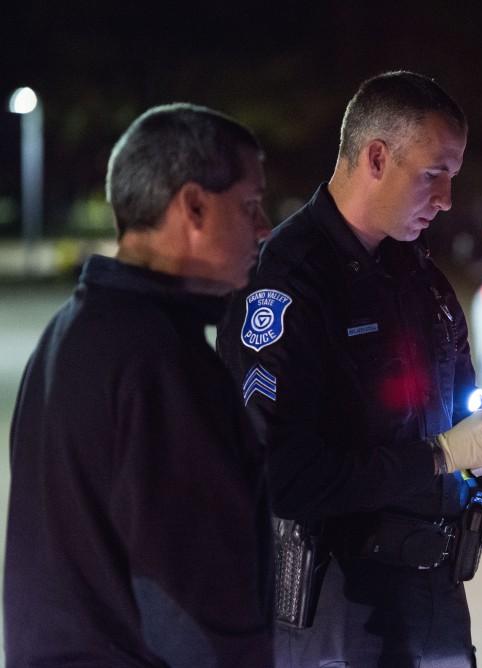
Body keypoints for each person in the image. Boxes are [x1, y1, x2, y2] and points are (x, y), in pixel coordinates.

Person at [217, 70, 482, 668]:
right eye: (433, 173)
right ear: (375, 157)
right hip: (337, 612)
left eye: (453, 175)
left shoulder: (420, 280)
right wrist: (443, 455)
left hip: (433, 600)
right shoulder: (286, 282)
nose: (446, 197)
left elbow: (457, 417)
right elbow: (281, 478)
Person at [4, 104, 274, 667]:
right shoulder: (160, 362)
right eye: (249, 206)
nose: (263, 227)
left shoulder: (70, 332)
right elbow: (190, 591)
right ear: (194, 206)